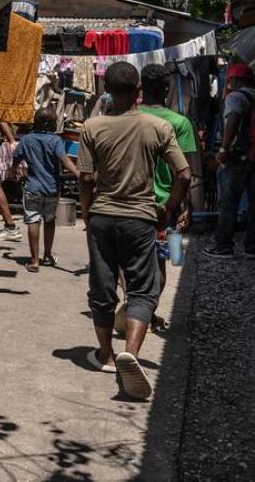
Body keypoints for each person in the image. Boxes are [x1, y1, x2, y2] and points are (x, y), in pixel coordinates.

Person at [78, 62, 190, 400]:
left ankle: (105, 355)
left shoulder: (92, 127)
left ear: (106, 89)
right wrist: (168, 209)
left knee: (102, 286)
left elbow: (85, 179)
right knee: (142, 288)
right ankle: (131, 354)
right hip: (140, 218)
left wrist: (86, 214)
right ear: (138, 90)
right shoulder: (158, 127)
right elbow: (184, 174)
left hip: (102, 216)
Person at [138, 64, 199, 287]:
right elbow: (185, 173)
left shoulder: (126, 118)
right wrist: (183, 207)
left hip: (130, 203)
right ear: (167, 89)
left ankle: (132, 307)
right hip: (165, 205)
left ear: (141, 87)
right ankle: (148, 313)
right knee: (159, 262)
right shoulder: (180, 123)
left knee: (131, 262)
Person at [207, 64, 255, 260]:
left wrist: (223, 149)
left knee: (229, 201)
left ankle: (223, 246)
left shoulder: (235, 97)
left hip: (239, 157)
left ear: (234, 80)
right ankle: (252, 248)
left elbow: (233, 122)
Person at [13, 107, 80, 272]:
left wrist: (16, 171)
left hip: (32, 188)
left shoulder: (27, 139)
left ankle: (34, 260)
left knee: (33, 220)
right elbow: (64, 160)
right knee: (49, 221)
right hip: (51, 189)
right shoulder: (56, 141)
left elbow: (16, 159)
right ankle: (48, 254)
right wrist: (78, 174)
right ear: (49, 124)